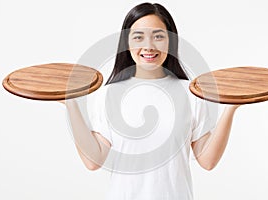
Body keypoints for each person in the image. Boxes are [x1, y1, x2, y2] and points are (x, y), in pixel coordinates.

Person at [63, 2, 240, 200]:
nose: (148, 46)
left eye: (158, 36)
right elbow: (93, 161)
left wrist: (232, 106)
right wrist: (70, 104)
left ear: (171, 42)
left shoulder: (191, 93)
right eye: (138, 37)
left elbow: (208, 161)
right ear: (127, 43)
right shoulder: (109, 95)